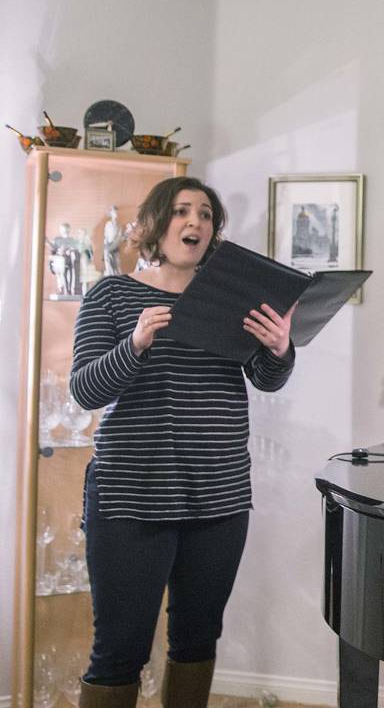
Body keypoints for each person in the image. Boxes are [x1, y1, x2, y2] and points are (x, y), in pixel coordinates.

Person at [70, 177, 296, 708]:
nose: (195, 221)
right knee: (119, 651)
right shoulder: (112, 294)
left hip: (218, 495)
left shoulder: (231, 302)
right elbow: (85, 390)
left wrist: (280, 349)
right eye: (181, 211)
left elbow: (265, 379)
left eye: (205, 214)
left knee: (197, 642)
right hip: (131, 496)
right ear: (155, 223)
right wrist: (134, 344)